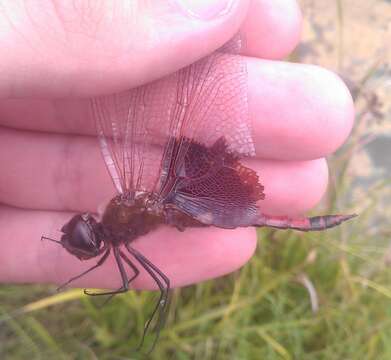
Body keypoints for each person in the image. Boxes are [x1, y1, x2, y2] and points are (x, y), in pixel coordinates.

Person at [0, 0, 354, 290]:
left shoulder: (118, 230)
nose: (81, 235)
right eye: (82, 235)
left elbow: (133, 279)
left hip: (181, 199)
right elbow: (135, 277)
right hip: (181, 197)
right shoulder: (119, 219)